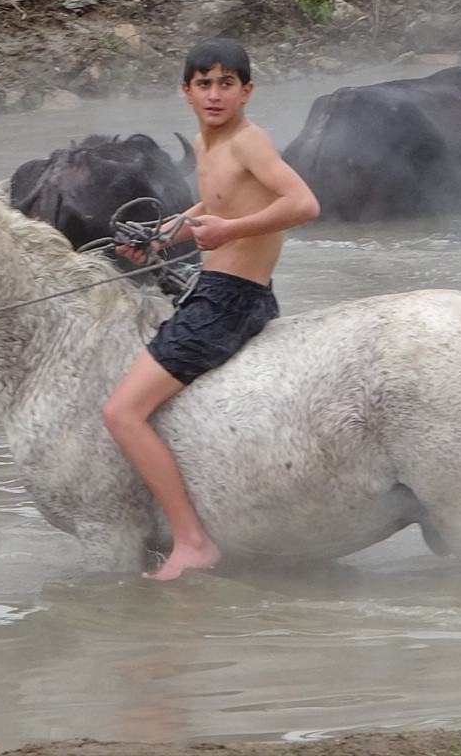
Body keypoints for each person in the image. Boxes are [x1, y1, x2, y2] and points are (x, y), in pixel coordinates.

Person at [103, 38, 320, 579]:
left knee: (121, 413)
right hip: (214, 289)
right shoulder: (207, 144)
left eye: (227, 84)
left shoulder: (249, 142)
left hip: (230, 301)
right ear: (186, 91)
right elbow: (217, 204)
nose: (215, 94)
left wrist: (231, 231)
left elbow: (303, 204)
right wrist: (162, 236)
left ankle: (192, 541)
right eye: (205, 84)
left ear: (247, 91)